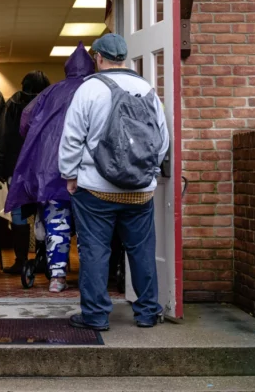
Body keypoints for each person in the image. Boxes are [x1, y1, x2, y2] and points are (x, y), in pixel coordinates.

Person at [59, 33, 169, 331]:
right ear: (123, 58)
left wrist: (70, 175)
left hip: (96, 189)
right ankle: (147, 312)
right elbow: (161, 140)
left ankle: (95, 316)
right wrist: (149, 173)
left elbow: (71, 138)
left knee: (95, 250)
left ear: (99, 58)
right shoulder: (146, 88)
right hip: (139, 192)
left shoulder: (90, 89)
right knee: (142, 250)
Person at [5, 43, 95, 293]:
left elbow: (26, 121)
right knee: (92, 225)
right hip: (91, 172)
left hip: (50, 171)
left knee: (57, 223)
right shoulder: (98, 89)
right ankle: (93, 277)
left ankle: (57, 277)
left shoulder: (50, 92)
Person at [0, 70, 50, 275]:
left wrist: (1, 165)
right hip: (44, 169)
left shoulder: (14, 103)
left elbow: (3, 134)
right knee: (43, 214)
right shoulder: (50, 100)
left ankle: (20, 261)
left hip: (17, 169)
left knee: (19, 215)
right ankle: (43, 259)